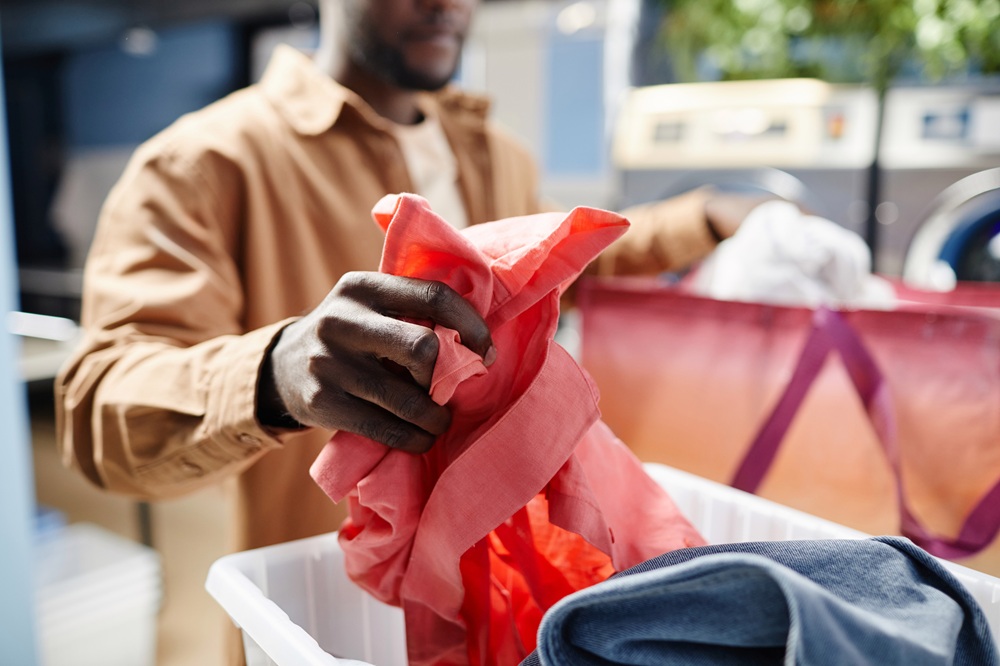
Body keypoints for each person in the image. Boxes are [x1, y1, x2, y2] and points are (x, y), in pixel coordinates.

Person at [54, 0, 764, 661]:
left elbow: (565, 269)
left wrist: (715, 217)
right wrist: (273, 372)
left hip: (505, 600)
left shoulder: (492, 154)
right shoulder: (205, 167)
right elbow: (96, 412)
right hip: (324, 623)